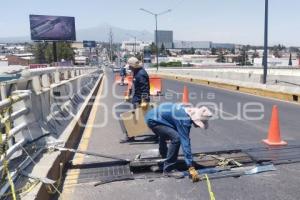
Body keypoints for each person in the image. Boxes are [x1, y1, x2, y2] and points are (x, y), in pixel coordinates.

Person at [144, 103, 212, 182]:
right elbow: (185, 142)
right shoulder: (184, 119)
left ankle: (164, 160)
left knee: (167, 134)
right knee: (176, 138)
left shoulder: (186, 112)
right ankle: (168, 169)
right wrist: (190, 166)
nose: (198, 126)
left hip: (153, 116)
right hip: (154, 120)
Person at [120, 57, 151, 143]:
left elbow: (145, 88)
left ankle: (130, 136)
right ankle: (160, 134)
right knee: (144, 118)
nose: (129, 68)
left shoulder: (141, 74)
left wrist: (144, 100)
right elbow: (135, 86)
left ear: (133, 66)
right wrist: (129, 94)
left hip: (140, 100)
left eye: (130, 66)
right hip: (137, 98)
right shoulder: (137, 72)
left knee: (134, 118)